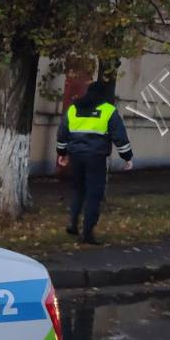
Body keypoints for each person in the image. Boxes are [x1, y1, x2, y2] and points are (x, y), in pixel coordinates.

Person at [56, 78, 134, 245]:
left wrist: (62, 153)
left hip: (75, 156)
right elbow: (119, 136)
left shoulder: (73, 108)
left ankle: (72, 224)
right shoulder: (108, 111)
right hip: (95, 158)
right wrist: (127, 157)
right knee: (94, 194)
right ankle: (88, 233)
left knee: (78, 190)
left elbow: (62, 133)